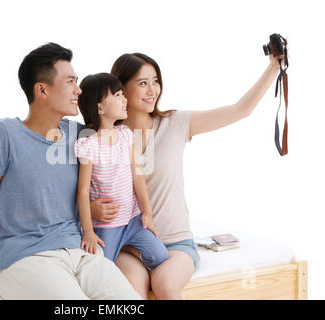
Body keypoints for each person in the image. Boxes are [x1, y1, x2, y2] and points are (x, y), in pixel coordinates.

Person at [0, 43, 141, 300]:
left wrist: (93, 208)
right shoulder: (4, 135)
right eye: (71, 82)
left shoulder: (80, 136)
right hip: (26, 257)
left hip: (81, 253)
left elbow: (116, 152)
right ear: (42, 89)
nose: (79, 89)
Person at [89, 48, 287, 299]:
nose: (153, 91)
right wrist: (92, 207)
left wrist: (273, 67)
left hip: (175, 244)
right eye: (142, 83)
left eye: (155, 82)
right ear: (121, 88)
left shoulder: (176, 123)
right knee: (132, 288)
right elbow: (80, 187)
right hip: (128, 246)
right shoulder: (101, 137)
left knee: (165, 284)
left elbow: (240, 110)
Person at [74, 73, 169, 271]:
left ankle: (127, 248)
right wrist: (88, 232)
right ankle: (120, 248)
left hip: (132, 219)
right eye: (118, 95)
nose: (125, 99)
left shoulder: (125, 134)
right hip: (107, 226)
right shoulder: (88, 145)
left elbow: (137, 176)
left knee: (160, 256)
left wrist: (147, 213)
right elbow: (82, 191)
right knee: (101, 269)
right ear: (100, 107)